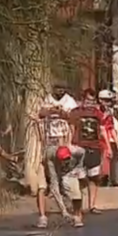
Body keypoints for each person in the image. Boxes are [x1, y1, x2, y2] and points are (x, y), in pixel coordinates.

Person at [35, 83, 78, 228]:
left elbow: (73, 118)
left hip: (64, 143)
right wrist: (52, 110)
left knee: (66, 181)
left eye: (62, 89)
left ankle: (73, 212)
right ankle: (61, 212)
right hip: (48, 143)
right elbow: (40, 114)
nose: (59, 92)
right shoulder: (47, 99)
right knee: (50, 181)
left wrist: (61, 113)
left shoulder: (69, 101)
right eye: (57, 89)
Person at [69, 89, 111, 214]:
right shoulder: (76, 112)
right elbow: (71, 128)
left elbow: (103, 130)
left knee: (94, 177)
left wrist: (108, 147)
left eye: (92, 100)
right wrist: (70, 144)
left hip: (95, 147)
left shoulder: (98, 114)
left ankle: (92, 205)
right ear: (83, 99)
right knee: (80, 178)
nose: (90, 103)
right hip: (79, 147)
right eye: (87, 100)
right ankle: (79, 205)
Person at [47, 145, 87, 227]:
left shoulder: (76, 151)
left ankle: (77, 215)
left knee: (77, 192)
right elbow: (54, 185)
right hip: (60, 170)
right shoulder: (51, 158)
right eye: (64, 160)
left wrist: (79, 167)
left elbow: (83, 152)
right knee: (65, 188)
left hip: (73, 168)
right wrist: (63, 210)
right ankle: (72, 213)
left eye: (67, 158)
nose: (65, 161)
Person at [98, 90, 118, 187]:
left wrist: (117, 144)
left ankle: (108, 179)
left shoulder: (109, 113)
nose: (108, 103)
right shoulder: (97, 112)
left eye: (110, 101)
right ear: (100, 100)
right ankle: (103, 178)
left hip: (107, 140)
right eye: (106, 101)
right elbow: (102, 130)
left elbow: (111, 128)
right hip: (99, 139)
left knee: (110, 158)